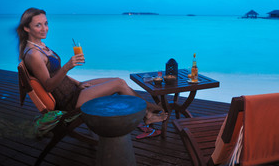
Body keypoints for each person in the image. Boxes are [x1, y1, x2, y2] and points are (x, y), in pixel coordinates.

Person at [16, 7, 167, 125]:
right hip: (68, 101)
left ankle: (146, 113)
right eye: (38, 25)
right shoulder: (33, 54)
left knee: (117, 80)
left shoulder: (40, 46)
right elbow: (48, 86)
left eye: (46, 23)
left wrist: (78, 83)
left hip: (73, 89)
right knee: (119, 84)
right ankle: (148, 108)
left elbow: (54, 73)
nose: (45, 28)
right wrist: (68, 66)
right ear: (26, 28)